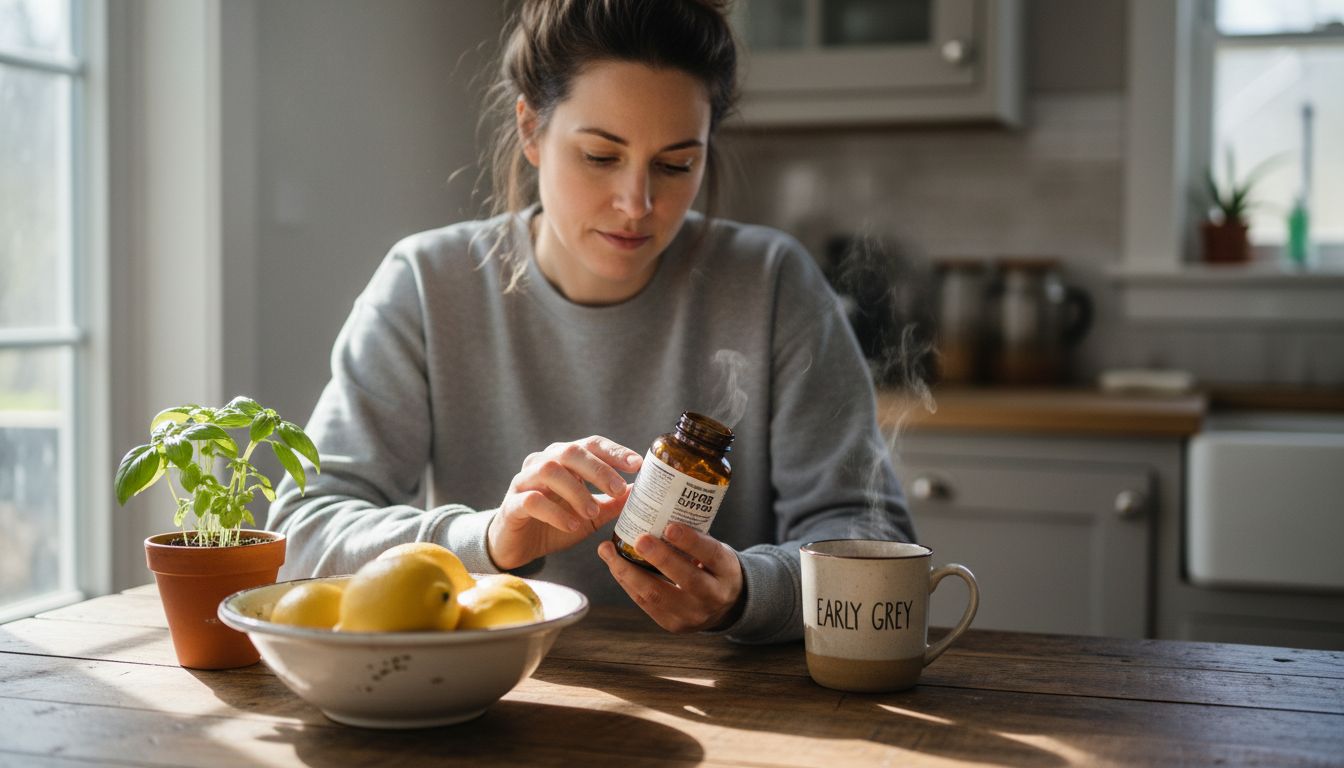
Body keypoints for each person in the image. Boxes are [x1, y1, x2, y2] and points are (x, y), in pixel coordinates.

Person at [266, 0, 914, 645]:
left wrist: (747, 592)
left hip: (736, 703)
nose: (637, 204)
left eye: (676, 164)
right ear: (529, 130)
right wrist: (487, 538)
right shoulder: (426, 284)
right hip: (499, 697)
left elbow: (874, 540)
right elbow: (300, 531)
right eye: (601, 157)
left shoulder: (773, 284)